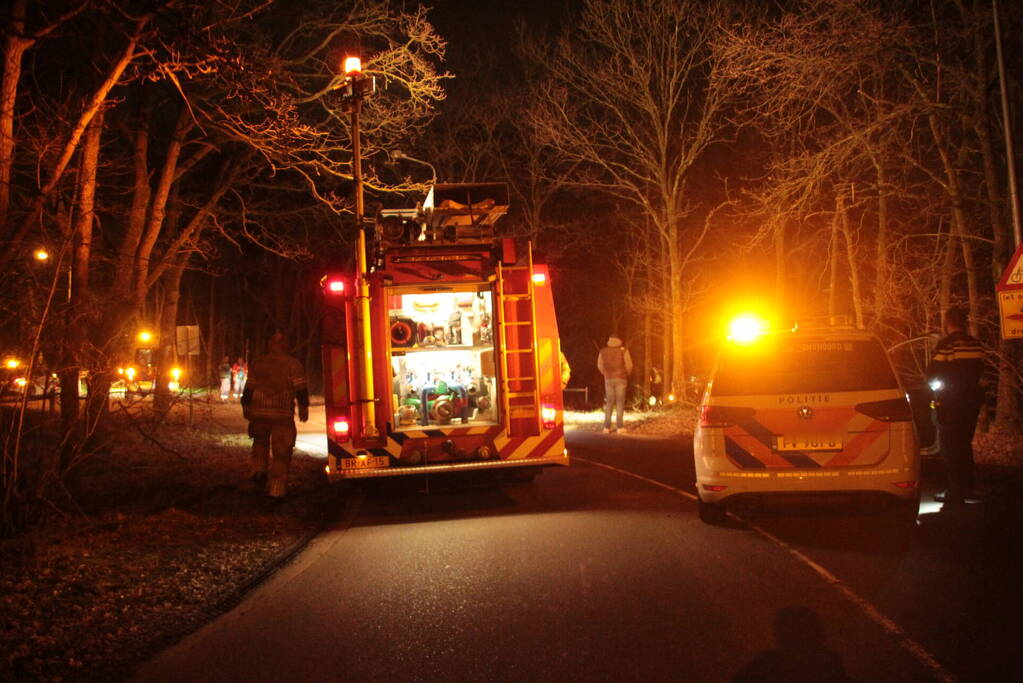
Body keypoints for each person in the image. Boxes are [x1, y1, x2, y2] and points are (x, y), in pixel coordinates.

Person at [925, 307, 986, 507]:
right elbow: (979, 371)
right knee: (965, 445)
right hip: (971, 402)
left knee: (950, 447)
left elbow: (933, 371)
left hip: (950, 403)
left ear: (947, 322)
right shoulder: (975, 344)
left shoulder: (947, 345)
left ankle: (954, 491)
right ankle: (969, 488)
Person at [241, 334, 309, 499]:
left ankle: (259, 471)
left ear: (269, 345)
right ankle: (277, 489)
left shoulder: (258, 363)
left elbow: (249, 389)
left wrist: (246, 406)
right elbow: (300, 389)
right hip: (282, 415)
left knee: (259, 443)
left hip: (259, 415)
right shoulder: (293, 364)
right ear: (284, 346)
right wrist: (303, 408)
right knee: (281, 452)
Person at [597, 333, 633, 433]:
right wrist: (626, 373)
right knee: (619, 403)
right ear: (619, 340)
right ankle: (620, 427)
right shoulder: (624, 351)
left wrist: (605, 373)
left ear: (609, 340)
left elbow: (599, 365)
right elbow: (629, 365)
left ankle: (606, 427)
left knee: (609, 403)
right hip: (621, 379)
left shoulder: (603, 351)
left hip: (608, 379)